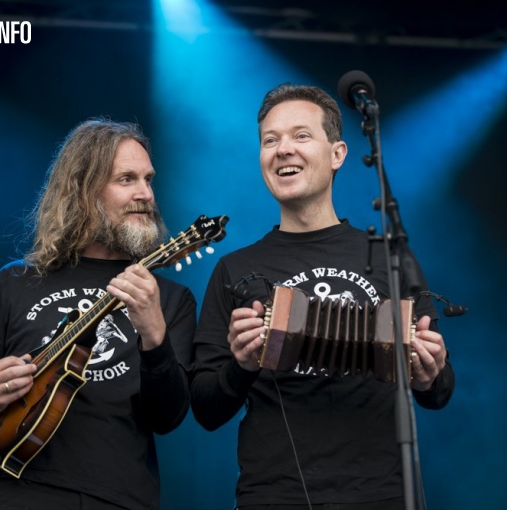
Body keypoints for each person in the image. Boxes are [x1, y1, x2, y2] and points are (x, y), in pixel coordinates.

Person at [190, 84, 455, 509]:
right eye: (269, 140)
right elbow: (205, 409)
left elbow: (440, 392)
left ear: (338, 154)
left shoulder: (390, 256)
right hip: (276, 495)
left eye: (300, 135)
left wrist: (430, 373)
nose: (282, 150)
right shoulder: (235, 270)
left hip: (384, 494)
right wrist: (241, 367)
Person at [0, 118, 196, 510]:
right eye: (126, 179)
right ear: (83, 191)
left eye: (148, 179)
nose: (145, 194)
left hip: (118, 499)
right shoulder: (17, 282)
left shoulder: (168, 299)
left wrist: (154, 338)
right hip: (13, 492)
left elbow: (168, 417)